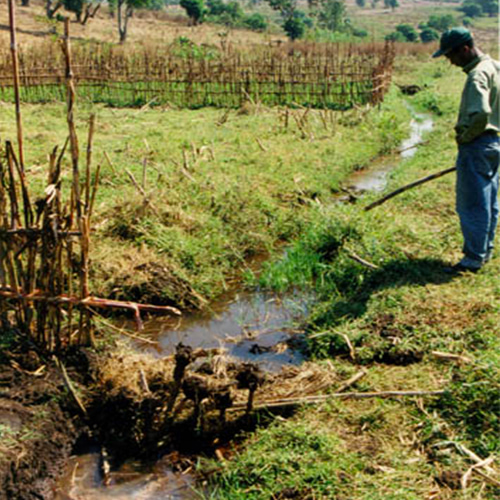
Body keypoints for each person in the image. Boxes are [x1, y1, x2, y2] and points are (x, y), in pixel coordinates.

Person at [433, 27, 500, 272]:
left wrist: (466, 137)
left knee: (472, 204)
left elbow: (481, 112)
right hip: (494, 143)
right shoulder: (494, 66)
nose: (450, 62)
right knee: (489, 201)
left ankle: (472, 259)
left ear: (465, 49)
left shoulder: (476, 75)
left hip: (478, 143)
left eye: (451, 56)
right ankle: (485, 251)